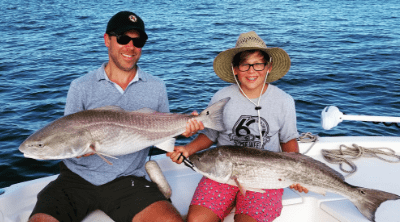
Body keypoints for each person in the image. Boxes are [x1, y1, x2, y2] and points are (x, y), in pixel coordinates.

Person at [29, 11, 203, 222]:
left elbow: (161, 134)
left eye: (138, 41)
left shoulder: (156, 86)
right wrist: (79, 148)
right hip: (76, 179)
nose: (130, 46)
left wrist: (186, 129)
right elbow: (67, 134)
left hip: (129, 179)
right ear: (107, 40)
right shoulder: (81, 86)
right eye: (123, 39)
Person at [167, 31, 308, 222]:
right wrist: (187, 148)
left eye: (258, 64)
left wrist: (297, 174)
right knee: (197, 220)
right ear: (235, 69)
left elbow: (288, 140)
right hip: (222, 170)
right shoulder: (221, 98)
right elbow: (210, 135)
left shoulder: (284, 101)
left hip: (265, 175)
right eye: (245, 64)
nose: (251, 71)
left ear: (268, 67)